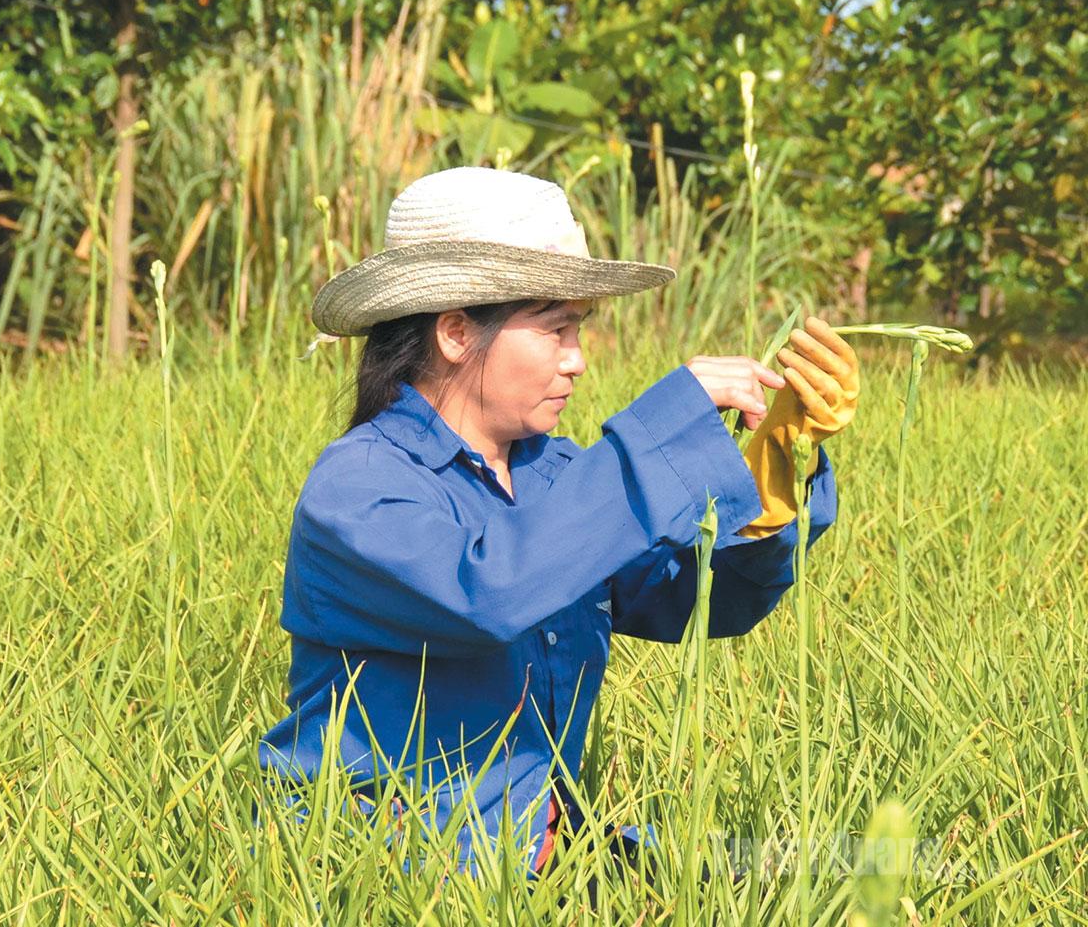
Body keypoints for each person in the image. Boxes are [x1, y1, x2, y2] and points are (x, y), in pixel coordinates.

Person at [257, 166, 858, 881]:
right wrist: (666, 429)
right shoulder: (356, 488)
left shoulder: (556, 476)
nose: (577, 360)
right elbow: (489, 591)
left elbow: (702, 600)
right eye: (556, 329)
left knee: (840, 869)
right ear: (454, 332)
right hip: (391, 866)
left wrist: (777, 476)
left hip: (542, 852)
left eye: (580, 328)